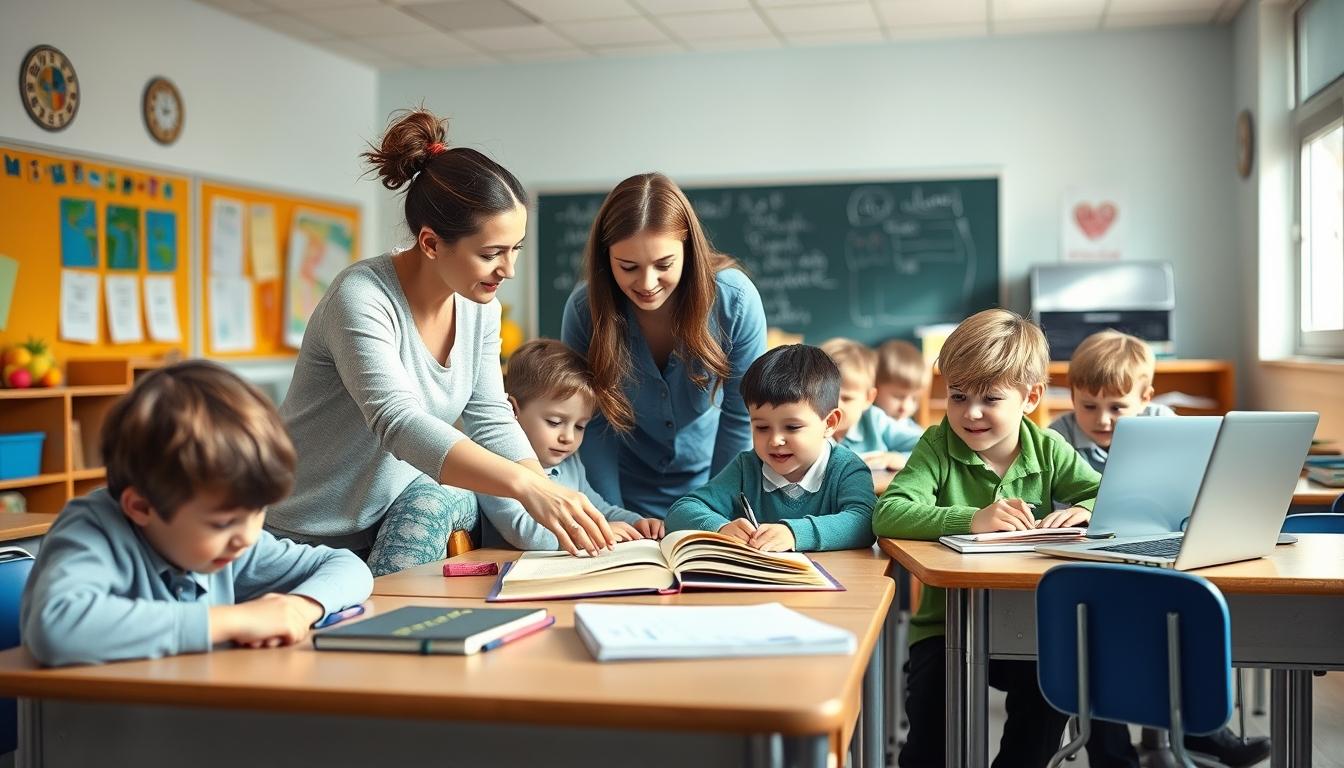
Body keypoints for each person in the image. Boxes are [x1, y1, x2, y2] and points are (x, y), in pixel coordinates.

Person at [266, 109, 615, 575]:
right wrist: (527, 486)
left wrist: (544, 488)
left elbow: (489, 415)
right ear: (431, 244)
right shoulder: (361, 298)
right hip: (305, 527)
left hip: (389, 510)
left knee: (448, 494)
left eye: (516, 249)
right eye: (491, 254)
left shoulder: (479, 308)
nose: (508, 270)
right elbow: (398, 421)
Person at [21, 361, 373, 667]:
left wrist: (300, 607)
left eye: (257, 513)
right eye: (222, 523)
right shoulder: (92, 533)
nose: (247, 537)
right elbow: (56, 627)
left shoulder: (231, 548)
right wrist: (232, 621)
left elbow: (349, 568)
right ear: (141, 507)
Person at [873, 309, 1100, 768]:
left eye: (990, 399)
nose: (970, 413)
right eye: (957, 396)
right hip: (946, 627)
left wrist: (1085, 509)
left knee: (1044, 716)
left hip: (1030, 626)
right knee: (927, 748)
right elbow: (888, 512)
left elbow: (1104, 494)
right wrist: (971, 518)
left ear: (1030, 397)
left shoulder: (1048, 449)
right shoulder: (938, 445)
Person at [1051, 329, 1270, 768]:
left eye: (1118, 407)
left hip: (1161, 559)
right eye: (1088, 405)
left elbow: (1195, 492)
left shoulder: (1165, 423)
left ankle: (1203, 731)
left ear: (1146, 395)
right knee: (1095, 643)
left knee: (1185, 620)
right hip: (1096, 569)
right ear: (1070, 395)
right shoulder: (1057, 437)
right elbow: (1062, 514)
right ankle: (1111, 754)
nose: (1103, 419)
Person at [561, 173, 767, 519]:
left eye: (664, 265)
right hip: (615, 493)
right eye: (628, 267)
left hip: (714, 484)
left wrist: (711, 511)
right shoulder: (585, 311)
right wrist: (613, 515)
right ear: (606, 258)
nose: (647, 283)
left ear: (689, 249)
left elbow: (740, 417)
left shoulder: (735, 301)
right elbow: (592, 423)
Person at [665, 344, 876, 552]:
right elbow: (681, 511)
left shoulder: (847, 468)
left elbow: (865, 522)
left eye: (792, 427)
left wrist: (795, 534)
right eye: (762, 427)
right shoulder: (746, 467)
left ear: (829, 423)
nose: (775, 440)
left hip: (837, 583)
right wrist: (720, 528)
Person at [480, 339, 665, 550]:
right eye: (555, 422)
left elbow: (597, 508)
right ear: (512, 411)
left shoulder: (570, 464)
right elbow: (524, 532)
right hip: (510, 573)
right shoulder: (495, 467)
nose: (568, 437)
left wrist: (636, 522)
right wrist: (594, 533)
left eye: (580, 426)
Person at [820, 337, 922, 472]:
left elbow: (928, 445)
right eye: (824, 395)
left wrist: (899, 458)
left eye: (847, 398)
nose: (834, 405)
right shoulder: (808, 426)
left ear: (868, 399)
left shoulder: (875, 421)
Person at [874, 338, 930, 425]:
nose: (906, 407)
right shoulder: (870, 421)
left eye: (914, 399)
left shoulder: (909, 427)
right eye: (898, 397)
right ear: (875, 386)